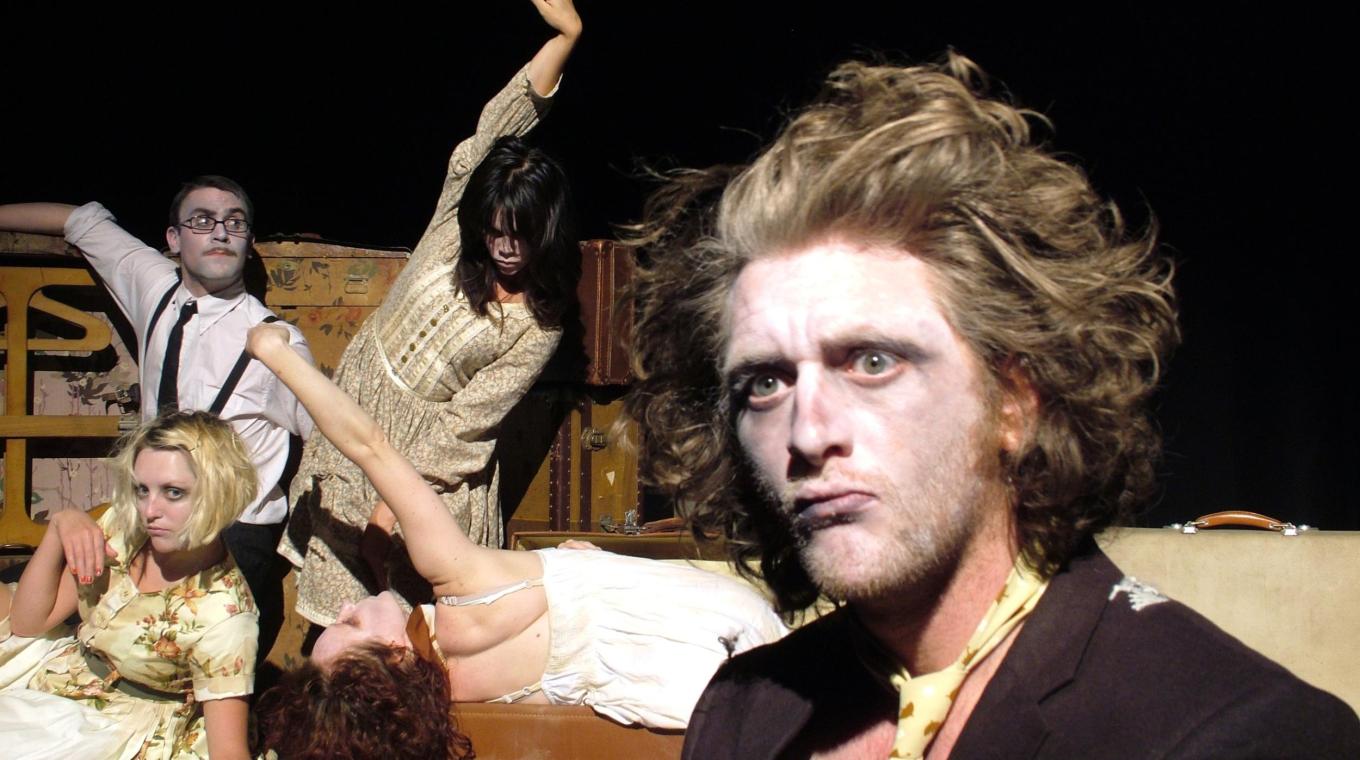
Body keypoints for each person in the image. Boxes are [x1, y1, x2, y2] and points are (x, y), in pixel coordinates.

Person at [624, 54, 1360, 758]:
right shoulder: (743, 712)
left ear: (1014, 402)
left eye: (873, 362)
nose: (809, 434)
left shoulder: (1237, 734)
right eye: (765, 383)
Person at [245, 322, 786, 757]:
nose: (343, 607)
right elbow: (368, 445)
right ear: (393, 652)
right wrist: (276, 354)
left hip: (690, 694)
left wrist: (378, 560)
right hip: (712, 624)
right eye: (351, 624)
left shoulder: (447, 701)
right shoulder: (462, 584)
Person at [282, 0, 585, 627]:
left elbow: (463, 428)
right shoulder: (454, 225)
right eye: (495, 230)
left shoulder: (539, 324)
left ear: (547, 233)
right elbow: (501, 121)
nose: (504, 248)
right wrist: (566, 36)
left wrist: (390, 510)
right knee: (339, 623)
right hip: (356, 420)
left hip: (426, 469)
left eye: (521, 235)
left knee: (409, 635)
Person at [0, 177, 314, 663]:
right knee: (23, 605)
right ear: (174, 238)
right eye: (202, 221)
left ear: (248, 241)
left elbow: (327, 440)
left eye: (235, 223)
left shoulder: (277, 341)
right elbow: (78, 220)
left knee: (190, 658)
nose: (220, 233)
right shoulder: (154, 285)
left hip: (233, 535)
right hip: (149, 516)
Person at [0, 411, 259, 759]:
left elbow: (228, 750)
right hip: (61, 684)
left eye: (173, 492)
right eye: (142, 489)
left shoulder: (226, 616)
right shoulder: (125, 529)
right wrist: (60, 525)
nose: (150, 510)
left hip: (120, 730)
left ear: (219, 492)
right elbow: (28, 622)